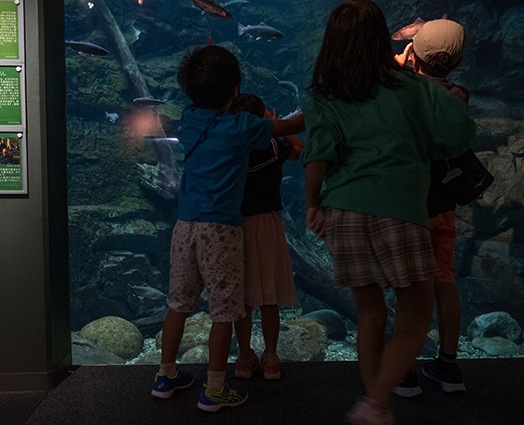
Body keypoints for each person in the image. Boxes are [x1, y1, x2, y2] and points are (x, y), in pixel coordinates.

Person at [299, 1, 474, 424]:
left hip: (343, 211)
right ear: (383, 39)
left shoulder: (326, 93)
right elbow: (458, 134)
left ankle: (375, 400)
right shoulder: (413, 86)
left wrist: (313, 205)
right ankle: (375, 403)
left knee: (371, 315)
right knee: (415, 319)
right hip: (398, 209)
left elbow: (317, 155)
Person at [150, 44, 304, 413]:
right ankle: (215, 389)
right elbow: (291, 127)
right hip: (220, 230)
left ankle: (165, 376)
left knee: (178, 304)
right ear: (235, 89)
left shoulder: (189, 118)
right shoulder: (241, 127)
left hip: (185, 226)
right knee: (224, 310)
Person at [392, 19, 470, 397]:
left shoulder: (405, 90)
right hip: (444, 205)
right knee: (444, 279)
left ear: (415, 54)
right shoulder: (459, 94)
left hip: (409, 205)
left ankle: (404, 372)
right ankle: (448, 366)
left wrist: (396, 64)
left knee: (408, 287)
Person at [229, 94, 304, 381]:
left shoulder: (232, 148)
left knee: (243, 297)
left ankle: (245, 357)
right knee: (268, 297)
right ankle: (271, 358)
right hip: (269, 224)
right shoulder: (274, 145)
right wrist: (276, 126)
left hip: (238, 225)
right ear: (261, 119)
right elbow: (299, 150)